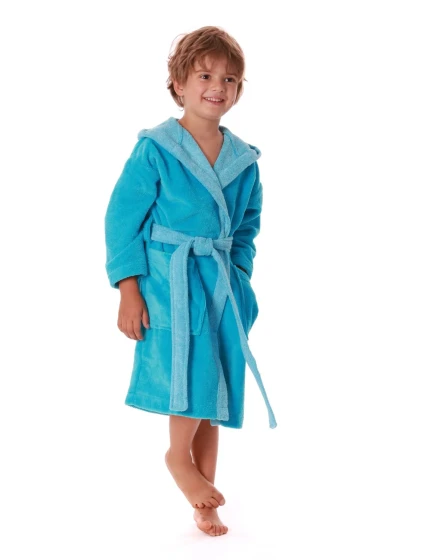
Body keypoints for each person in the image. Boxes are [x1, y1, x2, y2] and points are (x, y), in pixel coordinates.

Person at [104, 25, 277, 537]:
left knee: (213, 390)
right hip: (169, 283)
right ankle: (178, 457)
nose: (217, 86)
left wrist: (239, 276)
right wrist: (129, 289)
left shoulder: (244, 160)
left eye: (229, 79)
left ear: (239, 89)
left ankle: (205, 503)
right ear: (178, 84)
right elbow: (121, 220)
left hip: (220, 285)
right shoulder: (155, 149)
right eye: (204, 76)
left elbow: (246, 228)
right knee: (190, 375)